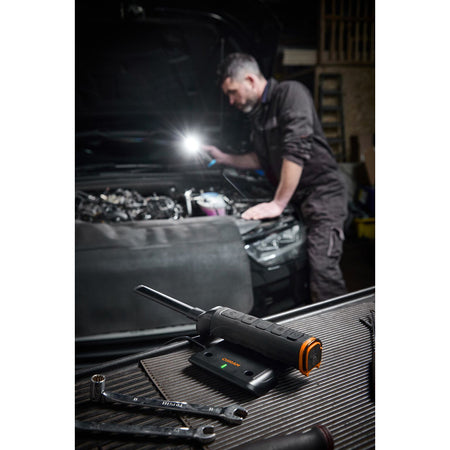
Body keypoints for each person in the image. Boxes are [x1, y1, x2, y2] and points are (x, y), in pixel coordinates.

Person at [202, 53, 348, 303]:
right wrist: (224, 158)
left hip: (322, 194)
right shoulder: (259, 115)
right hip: (296, 197)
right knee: (300, 271)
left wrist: (278, 203)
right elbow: (260, 159)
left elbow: (296, 149)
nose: (231, 101)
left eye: (232, 92)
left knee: (323, 270)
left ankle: (341, 328)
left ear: (250, 80)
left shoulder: (290, 93)